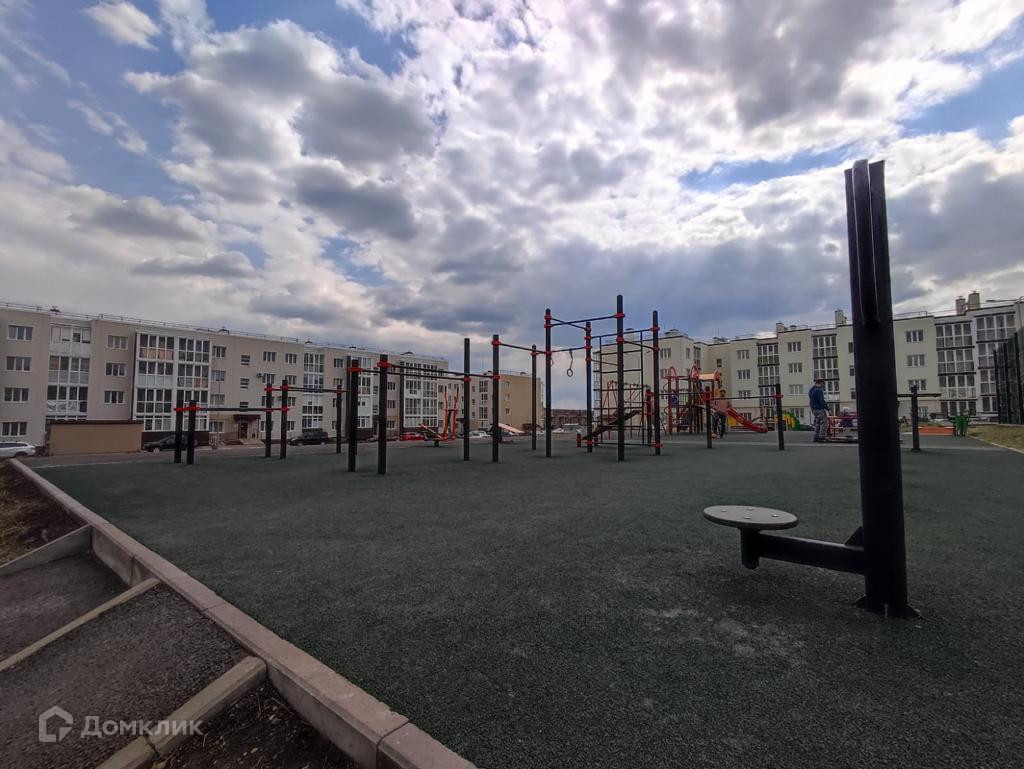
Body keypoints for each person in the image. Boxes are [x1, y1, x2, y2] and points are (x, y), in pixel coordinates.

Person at [809, 378, 829, 443]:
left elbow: (811, 398)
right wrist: (828, 409)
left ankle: (816, 437)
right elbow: (821, 401)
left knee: (818, 423)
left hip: (813, 409)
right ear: (821, 383)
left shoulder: (811, 390)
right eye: (823, 384)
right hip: (819, 409)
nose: (823, 386)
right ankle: (822, 437)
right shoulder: (819, 390)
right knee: (824, 422)